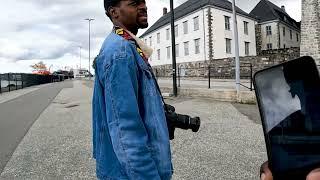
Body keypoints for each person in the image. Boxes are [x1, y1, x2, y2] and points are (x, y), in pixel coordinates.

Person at [92, 0, 173, 179]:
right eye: (134, 3)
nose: (143, 6)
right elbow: (125, 132)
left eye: (144, 2)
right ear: (114, 12)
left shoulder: (127, 45)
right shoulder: (120, 52)